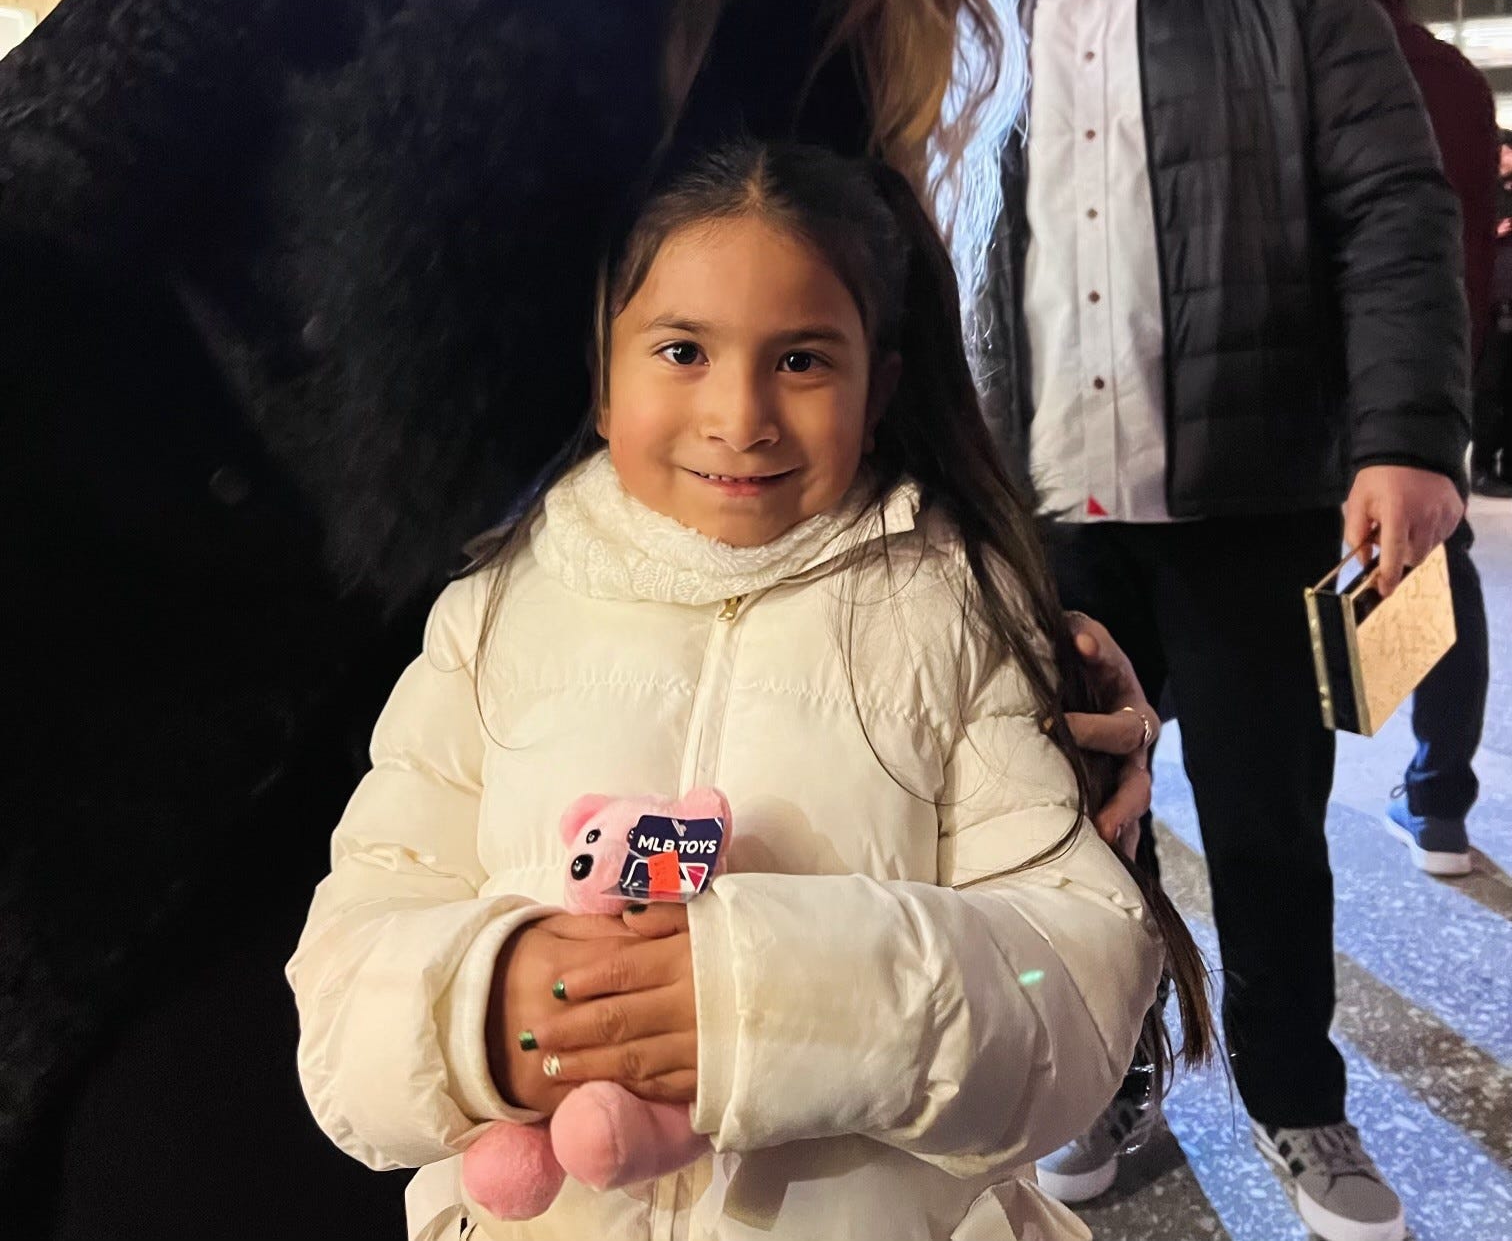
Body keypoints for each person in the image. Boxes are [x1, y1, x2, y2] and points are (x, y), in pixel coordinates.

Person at [0, 0, 1152, 1237]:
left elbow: (886, 419)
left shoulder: (831, 49)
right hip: (169, 765)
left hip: (512, 765)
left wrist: (1033, 649)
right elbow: (46, 177)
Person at [290, 139, 1211, 1241]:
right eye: (682, 350)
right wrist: (484, 1016)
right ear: (599, 374)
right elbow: (348, 967)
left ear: (882, 390)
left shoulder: (953, 611)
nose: (741, 417)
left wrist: (774, 1004)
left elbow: (1073, 977)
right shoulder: (494, 612)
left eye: (804, 360)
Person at [978, 0, 1468, 1241]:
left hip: (1247, 494)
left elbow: (1398, 208)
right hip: (1050, 515)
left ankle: (1296, 1097)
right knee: (1067, 828)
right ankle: (1107, 1074)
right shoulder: (983, 9)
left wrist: (1402, 438)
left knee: (1263, 820)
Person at [1292, 0, 1495, 878]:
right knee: (1437, 569)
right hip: (1429, 374)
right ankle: (1441, 803)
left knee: (1285, 582)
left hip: (1310, 374)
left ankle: (1292, 797)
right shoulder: (1456, 79)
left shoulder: (1296, 62)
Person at [1470, 129, 1512, 494]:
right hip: (1493, 308)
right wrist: (1492, 231)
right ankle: (1482, 468)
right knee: (1490, 393)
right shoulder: (1483, 195)